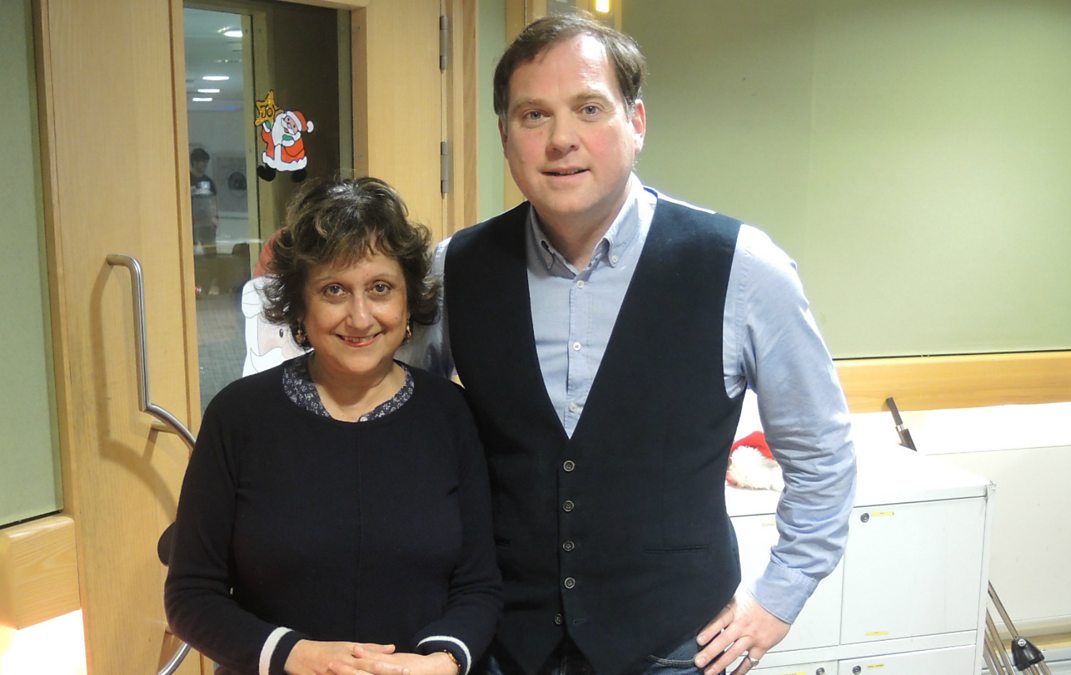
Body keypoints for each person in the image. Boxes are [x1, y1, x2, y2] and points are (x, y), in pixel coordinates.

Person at [392, 13, 856, 675]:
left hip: (677, 646)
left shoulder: (742, 267)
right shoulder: (454, 269)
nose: (561, 139)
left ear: (636, 122)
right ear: (504, 136)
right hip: (504, 644)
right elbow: (397, 432)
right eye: (533, 115)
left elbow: (822, 454)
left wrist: (777, 601)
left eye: (589, 108)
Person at [165, 177, 501, 675]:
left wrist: (442, 660)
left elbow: (479, 586)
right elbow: (191, 596)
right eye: (334, 290)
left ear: (409, 301)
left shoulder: (451, 415)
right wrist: (297, 655)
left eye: (380, 288)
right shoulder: (238, 417)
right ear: (300, 306)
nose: (360, 317)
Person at [190, 147, 220, 256]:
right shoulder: (187, 179)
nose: (205, 165)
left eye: (206, 162)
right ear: (195, 162)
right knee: (191, 251)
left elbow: (214, 201)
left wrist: (215, 217)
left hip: (207, 223)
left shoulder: (209, 181)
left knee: (210, 252)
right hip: (192, 222)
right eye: (202, 162)